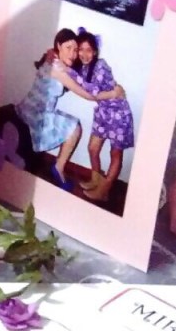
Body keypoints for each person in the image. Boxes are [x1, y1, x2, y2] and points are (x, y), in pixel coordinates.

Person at [14, 28, 124, 191]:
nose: (72, 54)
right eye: (68, 48)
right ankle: (58, 168)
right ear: (58, 45)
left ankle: (58, 167)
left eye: (75, 49)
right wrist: (113, 93)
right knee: (75, 128)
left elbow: (77, 76)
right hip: (36, 116)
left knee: (71, 124)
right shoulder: (57, 68)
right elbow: (87, 94)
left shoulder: (54, 60)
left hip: (29, 109)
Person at [72, 30, 135, 203]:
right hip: (103, 112)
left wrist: (71, 74)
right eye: (81, 49)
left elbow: (93, 92)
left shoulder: (101, 65)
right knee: (93, 148)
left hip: (118, 113)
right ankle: (96, 180)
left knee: (115, 153)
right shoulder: (83, 68)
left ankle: (104, 190)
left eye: (88, 50)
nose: (84, 54)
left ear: (95, 52)